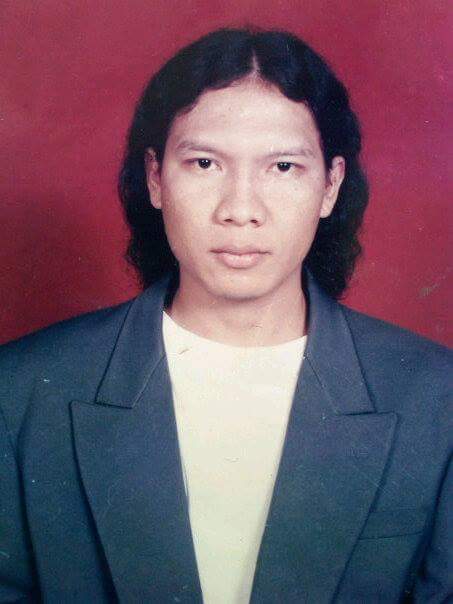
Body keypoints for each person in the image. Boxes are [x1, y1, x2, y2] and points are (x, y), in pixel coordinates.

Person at [0, 27, 451, 604]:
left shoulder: (437, 399)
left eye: (282, 167)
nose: (241, 209)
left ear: (330, 186)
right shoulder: (19, 393)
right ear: (156, 178)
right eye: (205, 162)